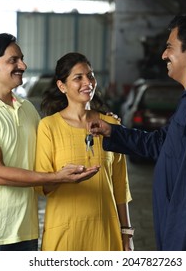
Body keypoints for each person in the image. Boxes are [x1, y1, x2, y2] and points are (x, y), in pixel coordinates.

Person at [88, 11, 186, 251]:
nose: (163, 55)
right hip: (181, 230)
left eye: (169, 47)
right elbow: (161, 143)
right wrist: (114, 133)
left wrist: (178, 246)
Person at [0, 34, 99, 251]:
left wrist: (98, 125)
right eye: (13, 60)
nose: (23, 65)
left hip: (27, 233)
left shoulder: (27, 109)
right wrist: (56, 177)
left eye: (21, 59)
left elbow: (43, 156)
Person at [35, 52, 133, 251]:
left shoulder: (111, 125)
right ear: (62, 86)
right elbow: (43, 186)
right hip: (64, 234)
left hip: (105, 231)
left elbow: (120, 186)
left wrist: (127, 233)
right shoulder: (48, 127)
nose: (88, 82)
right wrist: (62, 177)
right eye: (78, 77)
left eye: (90, 75)